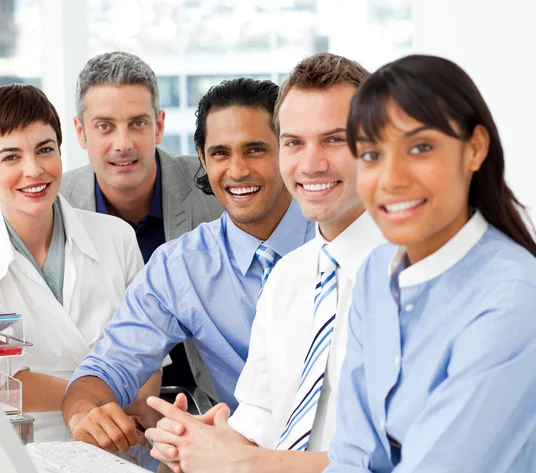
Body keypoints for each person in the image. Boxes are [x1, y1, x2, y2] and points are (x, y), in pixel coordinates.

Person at [144, 53, 385, 473]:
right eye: (294, 142)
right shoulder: (288, 277)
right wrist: (204, 442)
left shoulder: (416, 277)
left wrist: (251, 463)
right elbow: (257, 417)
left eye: (334, 139)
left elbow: (400, 457)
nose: (310, 164)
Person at [61, 77, 315, 453]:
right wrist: (85, 413)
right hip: (238, 459)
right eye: (220, 153)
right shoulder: (180, 267)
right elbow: (107, 367)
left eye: (255, 149)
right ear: (202, 158)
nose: (237, 170)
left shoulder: (333, 241)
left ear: (287, 149)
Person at [321, 54, 536, 472]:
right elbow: (351, 454)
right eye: (370, 154)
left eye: (420, 148)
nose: (391, 178)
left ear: (474, 148)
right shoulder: (376, 272)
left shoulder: (514, 299)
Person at [0, 84, 159, 442]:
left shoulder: (116, 236)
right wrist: (93, 400)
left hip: (122, 436)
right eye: (11, 157)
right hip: (29, 445)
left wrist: (119, 408)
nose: (34, 170)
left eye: (45, 150)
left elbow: (148, 352)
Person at [61, 52, 224, 390]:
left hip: (207, 405)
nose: (123, 144)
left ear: (159, 126)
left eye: (138, 123)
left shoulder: (214, 191)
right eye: (104, 126)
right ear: (80, 132)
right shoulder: (56, 204)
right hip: (105, 407)